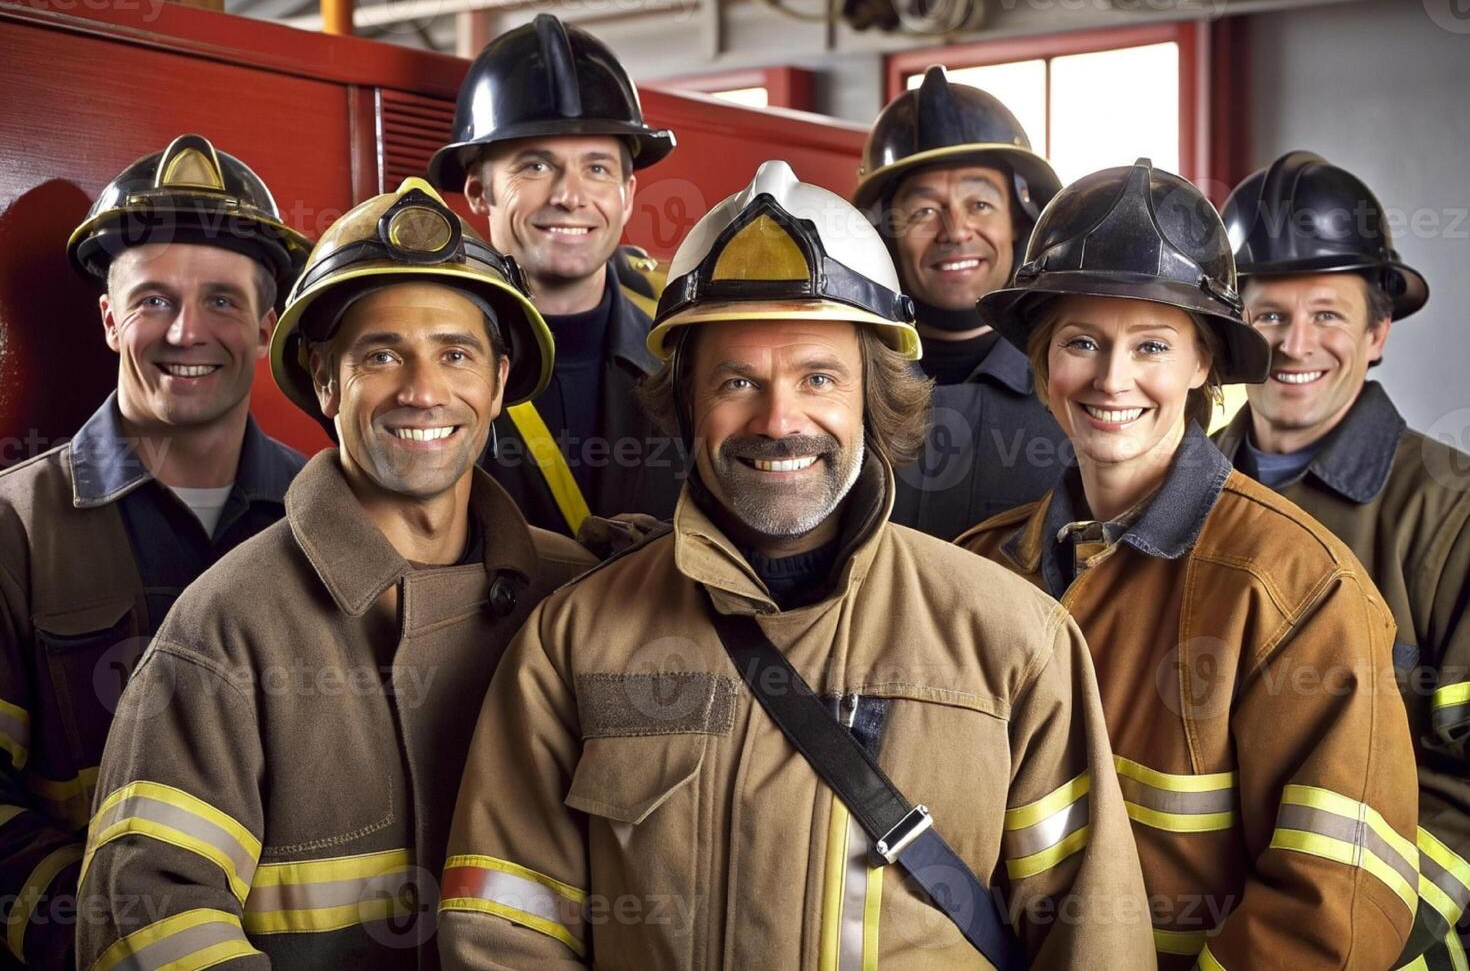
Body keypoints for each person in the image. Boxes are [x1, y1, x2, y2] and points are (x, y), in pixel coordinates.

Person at [437, 160, 1152, 970]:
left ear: (873, 399)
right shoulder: (572, 640)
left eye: (819, 378)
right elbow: (505, 936)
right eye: (738, 381)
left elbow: (1094, 936)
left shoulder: (1012, 641)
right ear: (685, 404)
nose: (780, 421)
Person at [75, 178, 595, 970]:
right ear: (325, 381)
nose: (422, 391)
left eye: (454, 354)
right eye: (381, 355)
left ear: (496, 383)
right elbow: (149, 917)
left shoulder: (575, 597)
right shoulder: (228, 625)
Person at [958, 158, 1420, 970]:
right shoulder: (978, 571)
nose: (1111, 379)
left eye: (1152, 345)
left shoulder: (1296, 587)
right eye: (1081, 342)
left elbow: (1335, 907)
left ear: (1205, 363)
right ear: (1043, 362)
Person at [0, 134, 309, 970]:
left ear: (267, 324)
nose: (185, 331)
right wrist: (102, 932)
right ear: (109, 319)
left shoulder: (332, 516)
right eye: (152, 301)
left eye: (221, 301)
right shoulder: (15, 529)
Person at [1216, 150, 1470, 967]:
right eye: (1268, 316)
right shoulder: (1169, 498)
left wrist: (1345, 943)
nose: (1297, 344)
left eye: (1328, 314)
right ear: (1228, 331)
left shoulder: (1452, 509)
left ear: (1377, 332)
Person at [430, 13, 683, 541]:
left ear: (627, 195)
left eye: (597, 168)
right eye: (536, 166)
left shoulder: (687, 345)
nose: (570, 196)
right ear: (479, 192)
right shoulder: (426, 359)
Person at [853, 65, 1070, 538]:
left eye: (980, 205)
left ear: (1018, 221)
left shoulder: (1075, 391)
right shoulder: (843, 388)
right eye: (924, 211)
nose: (955, 231)